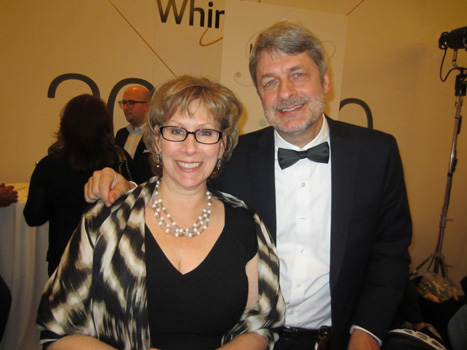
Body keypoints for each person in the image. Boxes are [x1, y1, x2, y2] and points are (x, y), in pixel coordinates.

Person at [84, 22, 412, 350]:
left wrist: (366, 333)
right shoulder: (229, 156)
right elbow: (178, 186)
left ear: (325, 80)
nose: (285, 92)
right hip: (244, 340)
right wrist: (125, 187)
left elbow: (390, 252)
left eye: (298, 74)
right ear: (259, 94)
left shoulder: (376, 154)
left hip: (339, 338)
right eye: (270, 81)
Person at [38, 76, 285, 350]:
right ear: (157, 142)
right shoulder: (107, 221)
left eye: (205, 133)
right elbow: (58, 332)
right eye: (176, 131)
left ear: (222, 145)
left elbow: (261, 324)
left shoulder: (246, 224)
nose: (190, 148)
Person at [24, 94, 134, 276]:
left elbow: (33, 216)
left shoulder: (49, 165)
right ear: (105, 126)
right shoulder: (120, 159)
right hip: (111, 254)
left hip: (65, 255)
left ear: (65, 126)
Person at [115, 85, 153, 183]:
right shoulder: (121, 134)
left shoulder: (156, 134)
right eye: (124, 103)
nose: (125, 107)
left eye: (131, 103)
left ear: (146, 106)